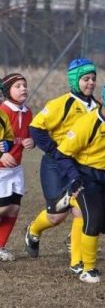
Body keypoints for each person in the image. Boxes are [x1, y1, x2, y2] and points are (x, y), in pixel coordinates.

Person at [55, 78, 105, 283]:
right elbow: (63, 154)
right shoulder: (87, 123)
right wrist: (74, 179)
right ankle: (88, 269)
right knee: (93, 220)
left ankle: (72, 200)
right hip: (86, 178)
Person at [26, 58, 98, 267]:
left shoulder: (98, 107)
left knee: (80, 211)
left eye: (93, 79)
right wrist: (54, 151)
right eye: (86, 79)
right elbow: (36, 128)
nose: (91, 83)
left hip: (81, 168)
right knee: (56, 216)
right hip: (55, 165)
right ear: (75, 80)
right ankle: (33, 229)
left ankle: (77, 262)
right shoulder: (61, 103)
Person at [0, 75, 27, 261]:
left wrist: (31, 140)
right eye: (18, 86)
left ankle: (0, 246)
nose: (23, 88)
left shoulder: (28, 112)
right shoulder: (3, 110)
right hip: (1, 170)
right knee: (3, 208)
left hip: (16, 168)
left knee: (14, 208)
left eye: (25, 85)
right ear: (7, 90)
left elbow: (25, 135)